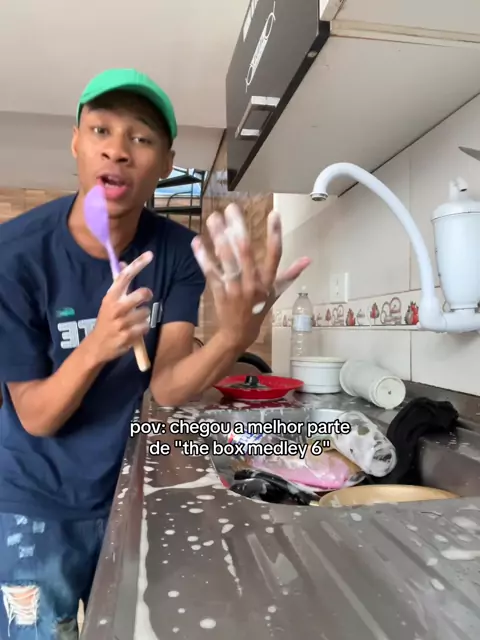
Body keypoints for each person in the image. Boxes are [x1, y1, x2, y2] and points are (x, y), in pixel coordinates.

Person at [0, 68, 310, 639]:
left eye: (140, 138)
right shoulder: (14, 255)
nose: (117, 149)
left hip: (130, 492)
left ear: (166, 163)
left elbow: (166, 387)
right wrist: (96, 347)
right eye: (101, 130)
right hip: (34, 504)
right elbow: (37, 416)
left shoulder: (177, 252)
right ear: (76, 141)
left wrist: (233, 337)